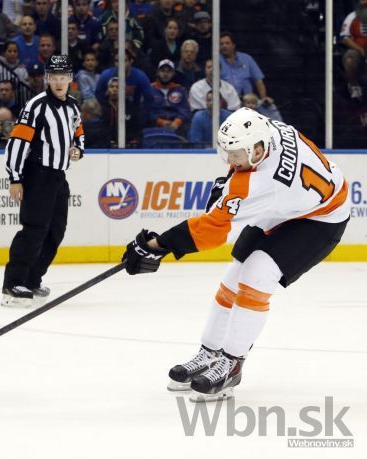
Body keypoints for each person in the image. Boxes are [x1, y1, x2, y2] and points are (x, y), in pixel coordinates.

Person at [122, 108, 349, 402]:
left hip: (322, 218)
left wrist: (158, 245)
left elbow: (212, 230)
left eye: (236, 154)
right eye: (227, 152)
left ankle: (232, 363)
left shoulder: (263, 183)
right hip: (292, 202)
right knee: (233, 279)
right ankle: (210, 352)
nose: (230, 160)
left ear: (258, 149)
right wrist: (228, 183)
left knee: (257, 275)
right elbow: (241, 173)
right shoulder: (267, 131)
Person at [2, 54, 85, 307]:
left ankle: (32, 280)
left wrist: (78, 150)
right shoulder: (36, 106)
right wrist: (15, 178)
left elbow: (79, 134)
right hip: (37, 175)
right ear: (48, 79)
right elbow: (17, 142)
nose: (59, 82)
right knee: (34, 230)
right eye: (54, 77)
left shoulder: (72, 107)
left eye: (63, 77)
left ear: (70, 79)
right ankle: (12, 284)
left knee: (55, 232)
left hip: (59, 177)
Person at [220, 31, 273, 104]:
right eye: (221, 44)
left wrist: (263, 98)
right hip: (227, 102)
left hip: (248, 101)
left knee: (270, 107)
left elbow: (258, 81)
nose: (224, 46)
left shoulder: (246, 58)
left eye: (227, 43)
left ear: (233, 45)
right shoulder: (216, 61)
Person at [148, 59, 190, 134]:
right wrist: (160, 122)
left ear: (173, 73)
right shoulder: (150, 89)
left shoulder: (180, 90)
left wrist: (178, 122)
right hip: (155, 126)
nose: (165, 74)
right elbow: (147, 111)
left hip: (177, 127)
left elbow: (185, 109)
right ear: (158, 72)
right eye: (163, 71)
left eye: (168, 71)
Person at [339, 0, 367, 100]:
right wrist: (359, 49)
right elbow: (344, 38)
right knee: (350, 59)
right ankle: (354, 87)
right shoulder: (352, 16)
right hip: (358, 51)